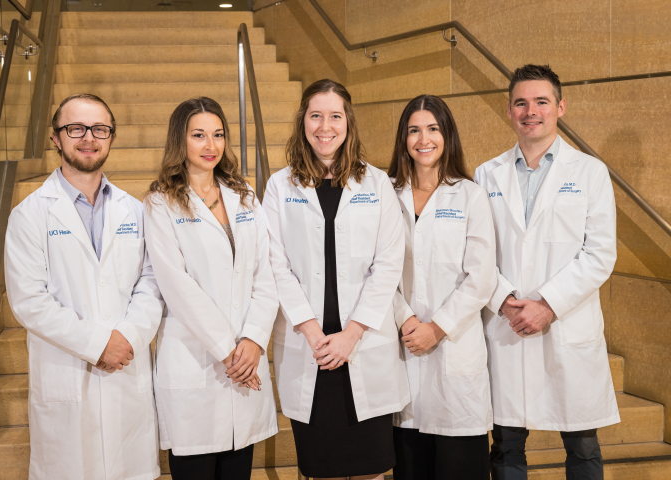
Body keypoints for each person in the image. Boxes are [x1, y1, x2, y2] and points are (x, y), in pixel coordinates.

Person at [4, 94, 164, 480]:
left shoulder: (135, 210)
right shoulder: (29, 215)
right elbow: (29, 301)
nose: (88, 137)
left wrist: (126, 337)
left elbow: (152, 281)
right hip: (67, 372)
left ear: (111, 136)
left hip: (127, 366)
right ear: (55, 138)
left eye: (99, 129)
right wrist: (98, 344)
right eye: (75, 128)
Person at [474, 64, 619, 479]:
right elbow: (477, 252)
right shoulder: (487, 174)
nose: (530, 110)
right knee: (505, 446)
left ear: (560, 107)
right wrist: (502, 300)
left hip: (565, 325)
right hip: (508, 324)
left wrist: (548, 306)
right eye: (521, 103)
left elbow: (600, 254)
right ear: (509, 111)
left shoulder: (590, 172)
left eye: (541, 101)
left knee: (583, 445)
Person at [263, 78, 410, 480]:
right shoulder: (280, 185)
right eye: (315, 116)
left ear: (348, 122)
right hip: (310, 347)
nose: (324, 126)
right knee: (320, 470)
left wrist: (351, 335)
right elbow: (275, 264)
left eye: (334, 116)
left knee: (371, 470)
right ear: (302, 122)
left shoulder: (376, 183)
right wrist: (314, 334)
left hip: (360, 343)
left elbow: (388, 264)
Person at [144, 97, 279, 480]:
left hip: (245, 360)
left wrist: (253, 341)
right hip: (197, 360)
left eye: (218, 135)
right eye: (199, 135)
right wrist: (229, 351)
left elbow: (265, 276)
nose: (210, 145)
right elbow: (176, 286)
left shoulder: (245, 196)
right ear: (180, 141)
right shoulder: (161, 203)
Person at [389, 95, 496, 480]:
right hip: (403, 347)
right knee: (410, 467)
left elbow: (481, 277)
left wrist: (436, 328)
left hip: (454, 350)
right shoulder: (385, 194)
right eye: (414, 130)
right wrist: (406, 320)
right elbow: (375, 270)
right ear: (403, 138)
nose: (424, 139)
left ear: (447, 134)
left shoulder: (470, 195)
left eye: (433, 128)